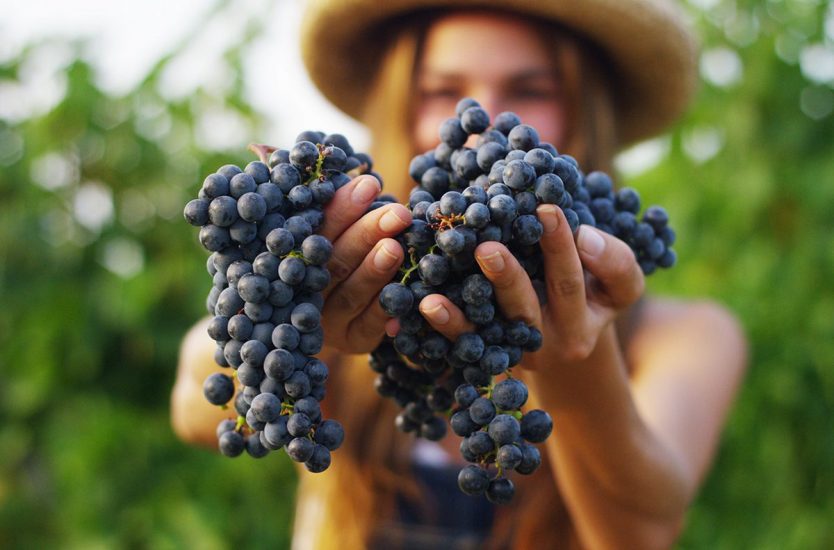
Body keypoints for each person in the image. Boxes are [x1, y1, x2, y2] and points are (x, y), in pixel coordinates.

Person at [172, 0, 748, 548]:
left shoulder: (686, 336)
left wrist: (578, 362)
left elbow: (639, 537)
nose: (480, 123)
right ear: (397, 104)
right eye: (441, 91)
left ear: (586, 109)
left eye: (531, 89)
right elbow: (197, 403)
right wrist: (316, 324)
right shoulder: (366, 277)